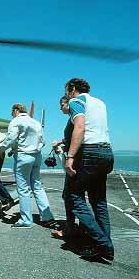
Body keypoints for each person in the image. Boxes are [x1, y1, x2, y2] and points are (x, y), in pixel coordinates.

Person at [64, 78, 114, 262]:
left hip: (89, 152)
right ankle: (103, 245)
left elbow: (80, 126)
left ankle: (103, 244)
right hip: (106, 152)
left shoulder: (76, 101)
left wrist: (70, 156)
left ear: (73, 88)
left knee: (74, 197)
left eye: (67, 90)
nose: (67, 93)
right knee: (99, 201)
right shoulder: (100, 103)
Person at [0, 103, 55, 228]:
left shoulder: (16, 121)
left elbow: (11, 138)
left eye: (12, 112)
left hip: (23, 157)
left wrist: (1, 149)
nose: (11, 114)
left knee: (23, 189)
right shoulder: (35, 122)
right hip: (37, 156)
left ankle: (26, 219)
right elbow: (43, 141)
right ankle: (47, 217)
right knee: (37, 187)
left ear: (16, 110)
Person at [51, 96, 77, 239]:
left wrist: (60, 142)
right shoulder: (73, 118)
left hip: (74, 162)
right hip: (76, 159)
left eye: (62, 105)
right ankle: (77, 227)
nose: (60, 108)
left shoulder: (75, 118)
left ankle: (71, 228)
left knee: (68, 195)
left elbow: (75, 135)